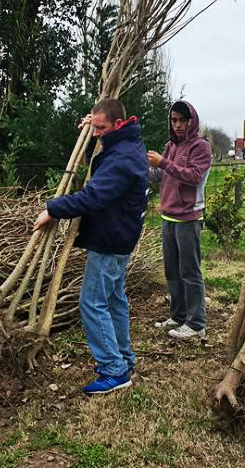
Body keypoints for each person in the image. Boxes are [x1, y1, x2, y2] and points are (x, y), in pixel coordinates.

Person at [33, 98, 148, 395]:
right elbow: (94, 164)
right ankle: (124, 360)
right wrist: (87, 138)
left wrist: (53, 208)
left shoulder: (123, 159)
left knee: (93, 303)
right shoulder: (124, 144)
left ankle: (114, 369)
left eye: (100, 128)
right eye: (93, 127)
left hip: (110, 240)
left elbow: (93, 196)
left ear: (118, 124)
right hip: (119, 235)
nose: (97, 132)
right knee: (113, 301)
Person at [148, 101, 212, 339]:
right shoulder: (170, 146)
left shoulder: (200, 147)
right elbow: (160, 175)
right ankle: (178, 315)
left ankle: (197, 323)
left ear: (191, 121)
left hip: (188, 217)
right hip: (168, 216)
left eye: (182, 120)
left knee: (190, 271)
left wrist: (163, 163)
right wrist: (140, 166)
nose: (177, 125)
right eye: (174, 120)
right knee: (172, 271)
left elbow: (194, 177)